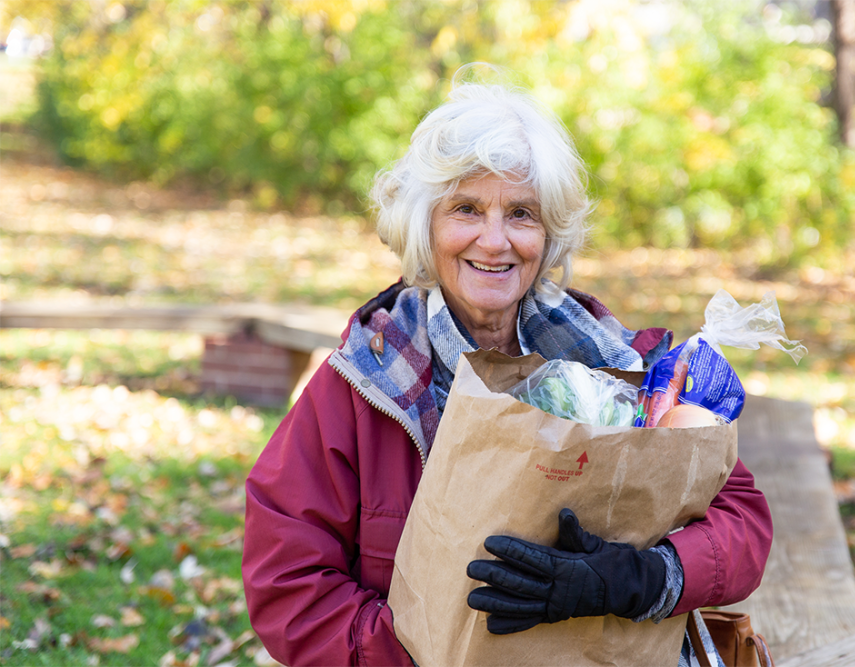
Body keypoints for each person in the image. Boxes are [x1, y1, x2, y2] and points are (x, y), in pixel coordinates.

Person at [241, 71, 773, 667]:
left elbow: (742, 523)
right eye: (466, 209)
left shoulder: (624, 372)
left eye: (521, 213)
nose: (494, 241)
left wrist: (642, 579)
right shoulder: (366, 382)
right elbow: (286, 579)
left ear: (548, 238)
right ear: (427, 227)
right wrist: (415, 646)